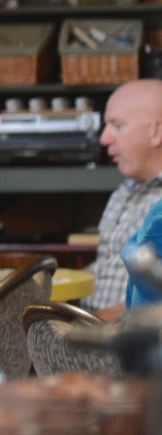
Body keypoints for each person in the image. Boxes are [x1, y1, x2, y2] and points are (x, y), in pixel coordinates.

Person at [82, 79, 162, 320]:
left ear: (156, 132)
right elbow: (106, 267)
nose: (104, 138)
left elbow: (154, 301)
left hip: (123, 335)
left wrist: (86, 325)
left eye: (117, 125)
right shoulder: (124, 190)